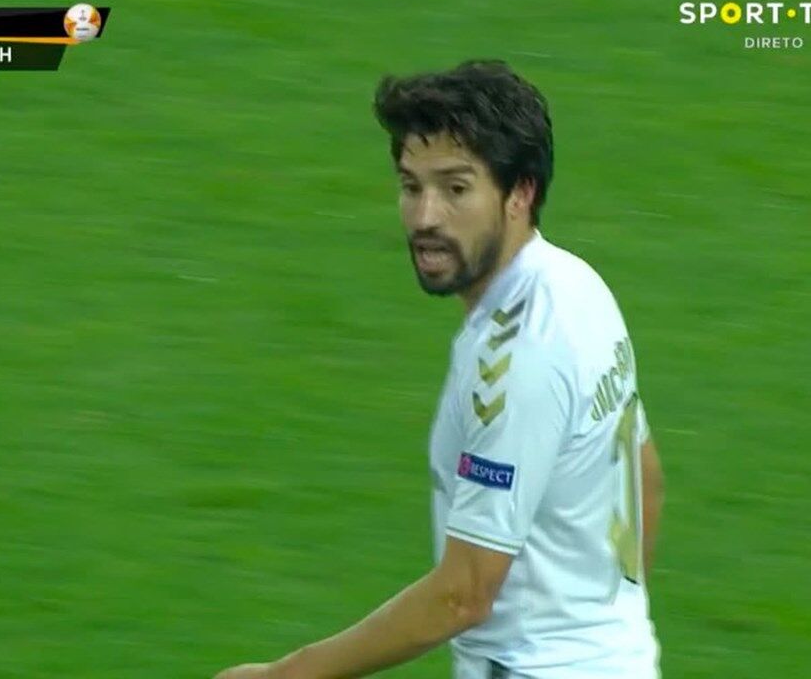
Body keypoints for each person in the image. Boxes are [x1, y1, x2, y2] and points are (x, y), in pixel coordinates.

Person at [216, 59, 665, 679]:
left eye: (456, 189)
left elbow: (463, 594)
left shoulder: (518, 358)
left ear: (520, 193)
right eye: (411, 187)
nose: (425, 217)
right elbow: (647, 477)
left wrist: (286, 675)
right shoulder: (578, 287)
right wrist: (601, 628)